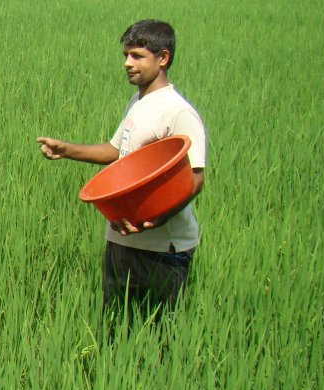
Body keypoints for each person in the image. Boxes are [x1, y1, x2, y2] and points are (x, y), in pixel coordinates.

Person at [36, 19, 206, 322]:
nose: (127, 63)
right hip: (122, 238)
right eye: (126, 55)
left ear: (163, 58)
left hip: (163, 249)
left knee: (160, 337)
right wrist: (68, 150)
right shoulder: (138, 101)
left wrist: (154, 221)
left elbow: (194, 180)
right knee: (118, 330)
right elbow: (119, 152)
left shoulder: (178, 112)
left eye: (137, 56)